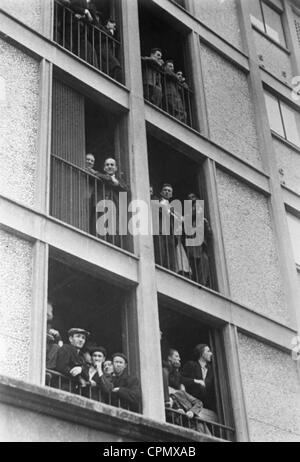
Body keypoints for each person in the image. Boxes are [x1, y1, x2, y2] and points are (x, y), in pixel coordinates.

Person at [156, 184, 190, 276]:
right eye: (165, 190)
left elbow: (180, 218)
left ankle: (170, 271)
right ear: (161, 192)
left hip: (171, 233)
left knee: (170, 253)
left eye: (169, 191)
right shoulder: (158, 201)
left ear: (171, 195)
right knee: (162, 251)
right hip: (161, 230)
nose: (167, 192)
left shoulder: (172, 207)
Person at [163, 349, 204, 419]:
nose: (179, 359)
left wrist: (192, 412)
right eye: (176, 356)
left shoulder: (181, 392)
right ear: (169, 357)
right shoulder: (164, 371)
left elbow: (199, 403)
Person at [185, 193, 212, 287]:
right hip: (192, 244)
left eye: (193, 197)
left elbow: (209, 234)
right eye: (190, 198)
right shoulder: (188, 217)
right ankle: (197, 282)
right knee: (194, 262)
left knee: (204, 261)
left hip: (201, 245)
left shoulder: (202, 219)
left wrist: (207, 225)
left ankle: (202, 283)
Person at [182, 344, 215, 411]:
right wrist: (196, 381)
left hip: (207, 407)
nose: (211, 353)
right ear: (202, 353)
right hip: (191, 403)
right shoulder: (191, 365)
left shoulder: (212, 370)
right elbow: (182, 379)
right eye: (208, 351)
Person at [46, 301, 63, 371]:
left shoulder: (49, 327)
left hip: (47, 352)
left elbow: (60, 345)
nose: (49, 313)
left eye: (51, 311)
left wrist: (58, 337)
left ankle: (47, 367)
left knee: (56, 347)